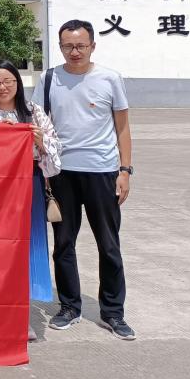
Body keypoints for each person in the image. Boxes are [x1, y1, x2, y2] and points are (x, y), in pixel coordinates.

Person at [34, 19, 135, 340]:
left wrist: (125, 170)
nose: (74, 51)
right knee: (64, 243)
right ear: (60, 47)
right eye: (68, 46)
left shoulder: (109, 78)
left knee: (109, 244)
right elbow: (38, 124)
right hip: (61, 173)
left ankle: (113, 312)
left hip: (102, 172)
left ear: (92, 45)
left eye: (80, 45)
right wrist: (43, 172)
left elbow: (122, 128)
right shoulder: (49, 79)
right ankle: (69, 307)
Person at [0, 58, 61, 342]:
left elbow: (55, 159)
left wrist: (39, 141)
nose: (2, 87)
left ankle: (20, 317)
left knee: (22, 250)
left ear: (18, 83)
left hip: (27, 187)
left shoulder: (33, 113)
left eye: (8, 81)